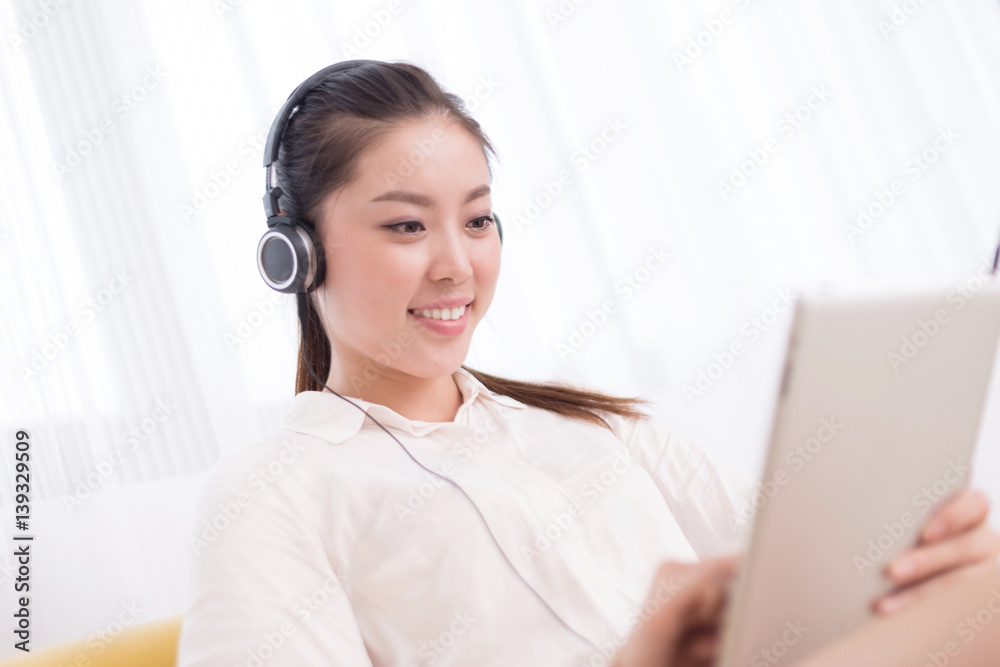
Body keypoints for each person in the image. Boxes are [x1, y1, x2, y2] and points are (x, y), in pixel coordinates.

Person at [177, 60, 1000, 666]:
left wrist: (914, 557)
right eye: (405, 227)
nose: (458, 266)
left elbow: (797, 574)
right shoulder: (271, 491)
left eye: (477, 220)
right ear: (297, 254)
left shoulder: (592, 426)